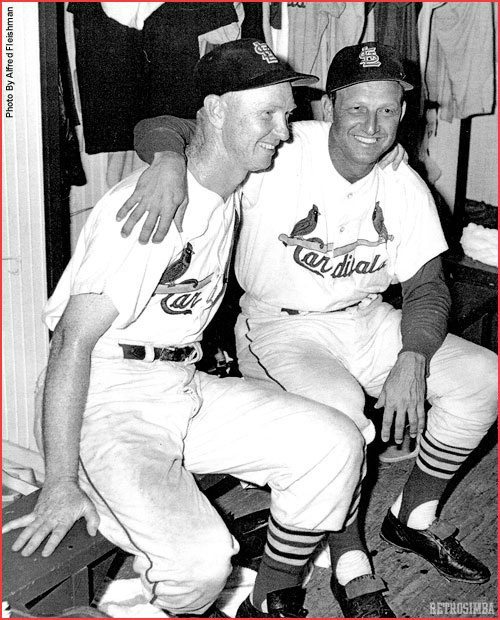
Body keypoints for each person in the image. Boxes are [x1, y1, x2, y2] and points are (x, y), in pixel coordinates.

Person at [2, 40, 400, 619]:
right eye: (265, 114)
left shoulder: (231, 184)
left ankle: (267, 595)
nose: (282, 131)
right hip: (108, 399)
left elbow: (164, 125)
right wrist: (61, 480)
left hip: (180, 384)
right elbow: (71, 342)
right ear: (213, 110)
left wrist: (165, 153)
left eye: (286, 113)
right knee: (202, 563)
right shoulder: (149, 209)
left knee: (334, 442)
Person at [118, 40, 498, 609]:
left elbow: (426, 287)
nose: (372, 125)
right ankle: (349, 558)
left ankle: (413, 516)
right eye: (356, 108)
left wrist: (412, 358)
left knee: (483, 378)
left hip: (366, 319)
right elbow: (160, 124)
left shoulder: (403, 181)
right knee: (340, 412)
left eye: (388, 110)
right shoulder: (280, 150)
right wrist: (170, 160)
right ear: (329, 106)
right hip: (281, 327)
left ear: (403, 112)